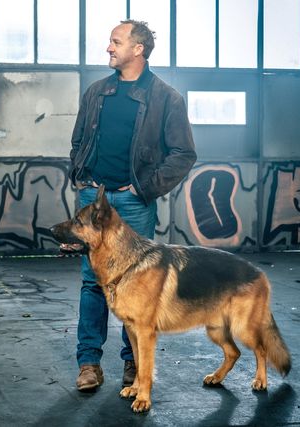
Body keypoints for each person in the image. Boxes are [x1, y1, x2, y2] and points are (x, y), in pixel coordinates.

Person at [66, 19, 197, 391]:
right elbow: (78, 141)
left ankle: (133, 364)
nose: (109, 47)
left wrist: (144, 189)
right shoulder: (97, 92)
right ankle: (88, 363)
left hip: (133, 202)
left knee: (136, 284)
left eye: (116, 41)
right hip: (94, 200)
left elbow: (183, 153)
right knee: (93, 282)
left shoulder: (166, 98)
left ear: (138, 49)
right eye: (110, 41)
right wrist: (81, 175)